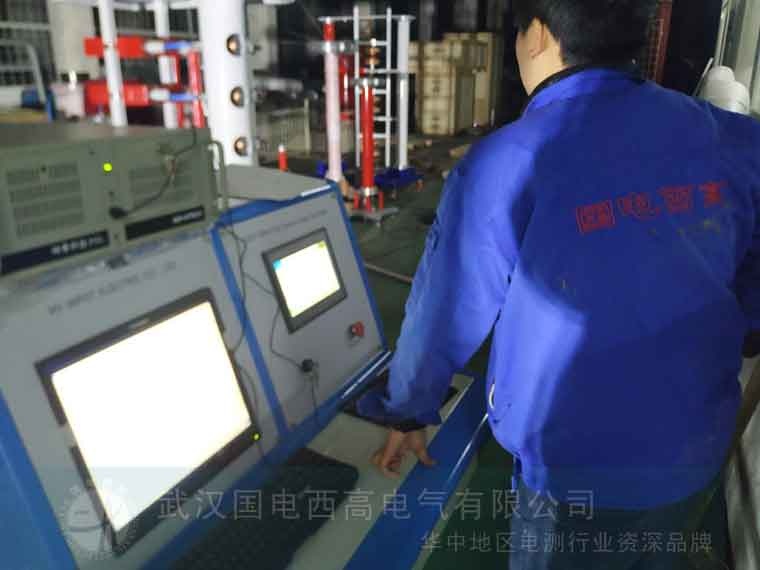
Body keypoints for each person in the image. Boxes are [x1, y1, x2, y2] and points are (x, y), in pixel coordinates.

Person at [357, 0, 760, 568]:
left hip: (574, 469)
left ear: (539, 35)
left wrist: (407, 409)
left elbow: (443, 311)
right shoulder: (732, 138)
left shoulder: (507, 160)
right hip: (693, 447)